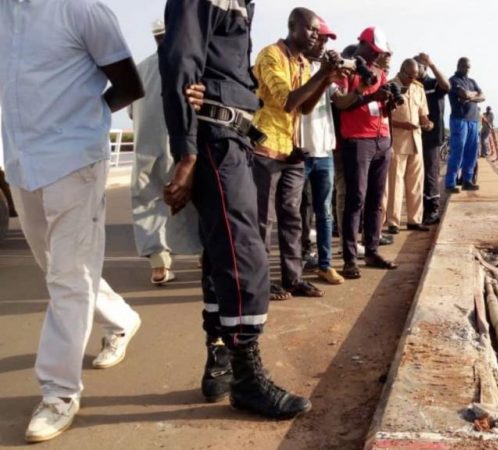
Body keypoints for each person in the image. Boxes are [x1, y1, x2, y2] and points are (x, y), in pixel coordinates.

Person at [159, 0, 311, 419]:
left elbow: (222, 69)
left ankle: (220, 359)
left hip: (234, 136)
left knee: (222, 252)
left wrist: (248, 128)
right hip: (215, 140)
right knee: (243, 250)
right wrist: (186, 154)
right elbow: (179, 63)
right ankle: (246, 376)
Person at [1, 0, 144, 442]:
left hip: (75, 159)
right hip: (23, 162)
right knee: (58, 268)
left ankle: (59, 392)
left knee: (68, 276)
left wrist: (84, 117)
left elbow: (128, 85)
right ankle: (121, 319)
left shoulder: (81, 10)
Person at [251, 8, 341, 300]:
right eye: (312, 29)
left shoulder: (303, 63)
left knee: (292, 216)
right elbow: (287, 101)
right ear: (293, 27)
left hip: (290, 150)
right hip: (264, 147)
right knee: (263, 220)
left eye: (318, 31)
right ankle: (261, 283)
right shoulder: (270, 55)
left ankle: (293, 278)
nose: (316, 35)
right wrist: (322, 75)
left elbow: (305, 106)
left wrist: (325, 79)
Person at [129, 19, 201, 286]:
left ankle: (159, 266)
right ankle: (204, 254)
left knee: (148, 204)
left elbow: (131, 111)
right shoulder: (191, 65)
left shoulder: (139, 70)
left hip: (146, 152)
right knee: (194, 202)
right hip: (184, 149)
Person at [332, 27, 399, 279]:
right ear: (363, 44)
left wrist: (388, 99)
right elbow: (341, 102)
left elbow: (380, 103)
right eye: (374, 51)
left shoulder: (379, 71)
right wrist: (367, 92)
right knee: (355, 199)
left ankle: (371, 249)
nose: (376, 56)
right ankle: (350, 258)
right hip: (357, 140)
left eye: (379, 52)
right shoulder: (347, 69)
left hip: (382, 139)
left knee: (375, 199)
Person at [297, 17, 345, 285]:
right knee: (295, 212)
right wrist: (324, 78)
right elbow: (300, 103)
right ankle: (297, 262)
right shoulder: (297, 66)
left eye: (326, 40)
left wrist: (360, 89)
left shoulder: (326, 71)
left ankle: (325, 265)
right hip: (299, 149)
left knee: (323, 211)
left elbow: (342, 100)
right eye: (321, 38)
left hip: (324, 149)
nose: (324, 44)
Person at [385, 59, 433, 234]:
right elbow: (384, 117)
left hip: (416, 140)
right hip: (397, 141)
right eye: (410, 76)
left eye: (415, 76)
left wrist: (428, 123)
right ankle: (393, 222)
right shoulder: (390, 86)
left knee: (416, 183)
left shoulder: (418, 89)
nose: (413, 79)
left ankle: (414, 219)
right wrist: (402, 124)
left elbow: (423, 115)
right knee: (395, 183)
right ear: (402, 71)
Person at [415, 53, 451, 225]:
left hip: (432, 135)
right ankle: (421, 208)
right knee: (417, 174)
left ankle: (433, 209)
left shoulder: (432, 83)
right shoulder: (413, 85)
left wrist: (432, 64)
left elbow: (447, 86)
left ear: (424, 68)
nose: (414, 69)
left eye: (418, 66)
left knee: (431, 172)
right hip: (414, 135)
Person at [445, 57, 485, 193]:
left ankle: (467, 180)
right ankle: (450, 182)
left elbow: (483, 96)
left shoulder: (472, 81)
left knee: (472, 152)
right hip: (459, 120)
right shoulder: (453, 80)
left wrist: (471, 97)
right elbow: (463, 93)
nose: (466, 69)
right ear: (458, 66)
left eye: (468, 67)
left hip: (473, 120)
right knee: (458, 151)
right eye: (464, 66)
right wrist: (472, 95)